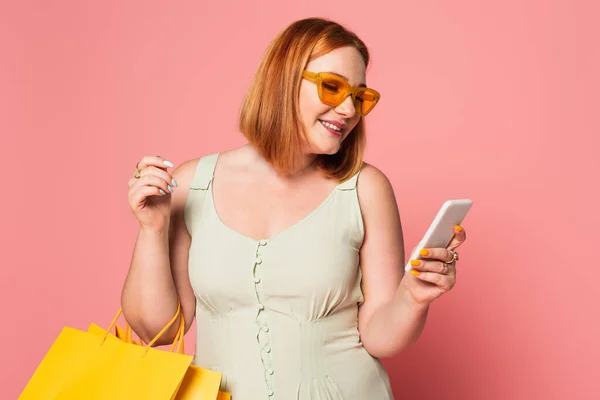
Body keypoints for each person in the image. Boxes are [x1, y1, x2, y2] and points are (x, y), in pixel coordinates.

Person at [122, 17, 467, 400]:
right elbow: (160, 330)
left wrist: (414, 295)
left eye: (360, 97)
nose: (349, 110)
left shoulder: (365, 189)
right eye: (333, 87)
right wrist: (151, 230)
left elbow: (379, 336)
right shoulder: (191, 183)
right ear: (282, 81)